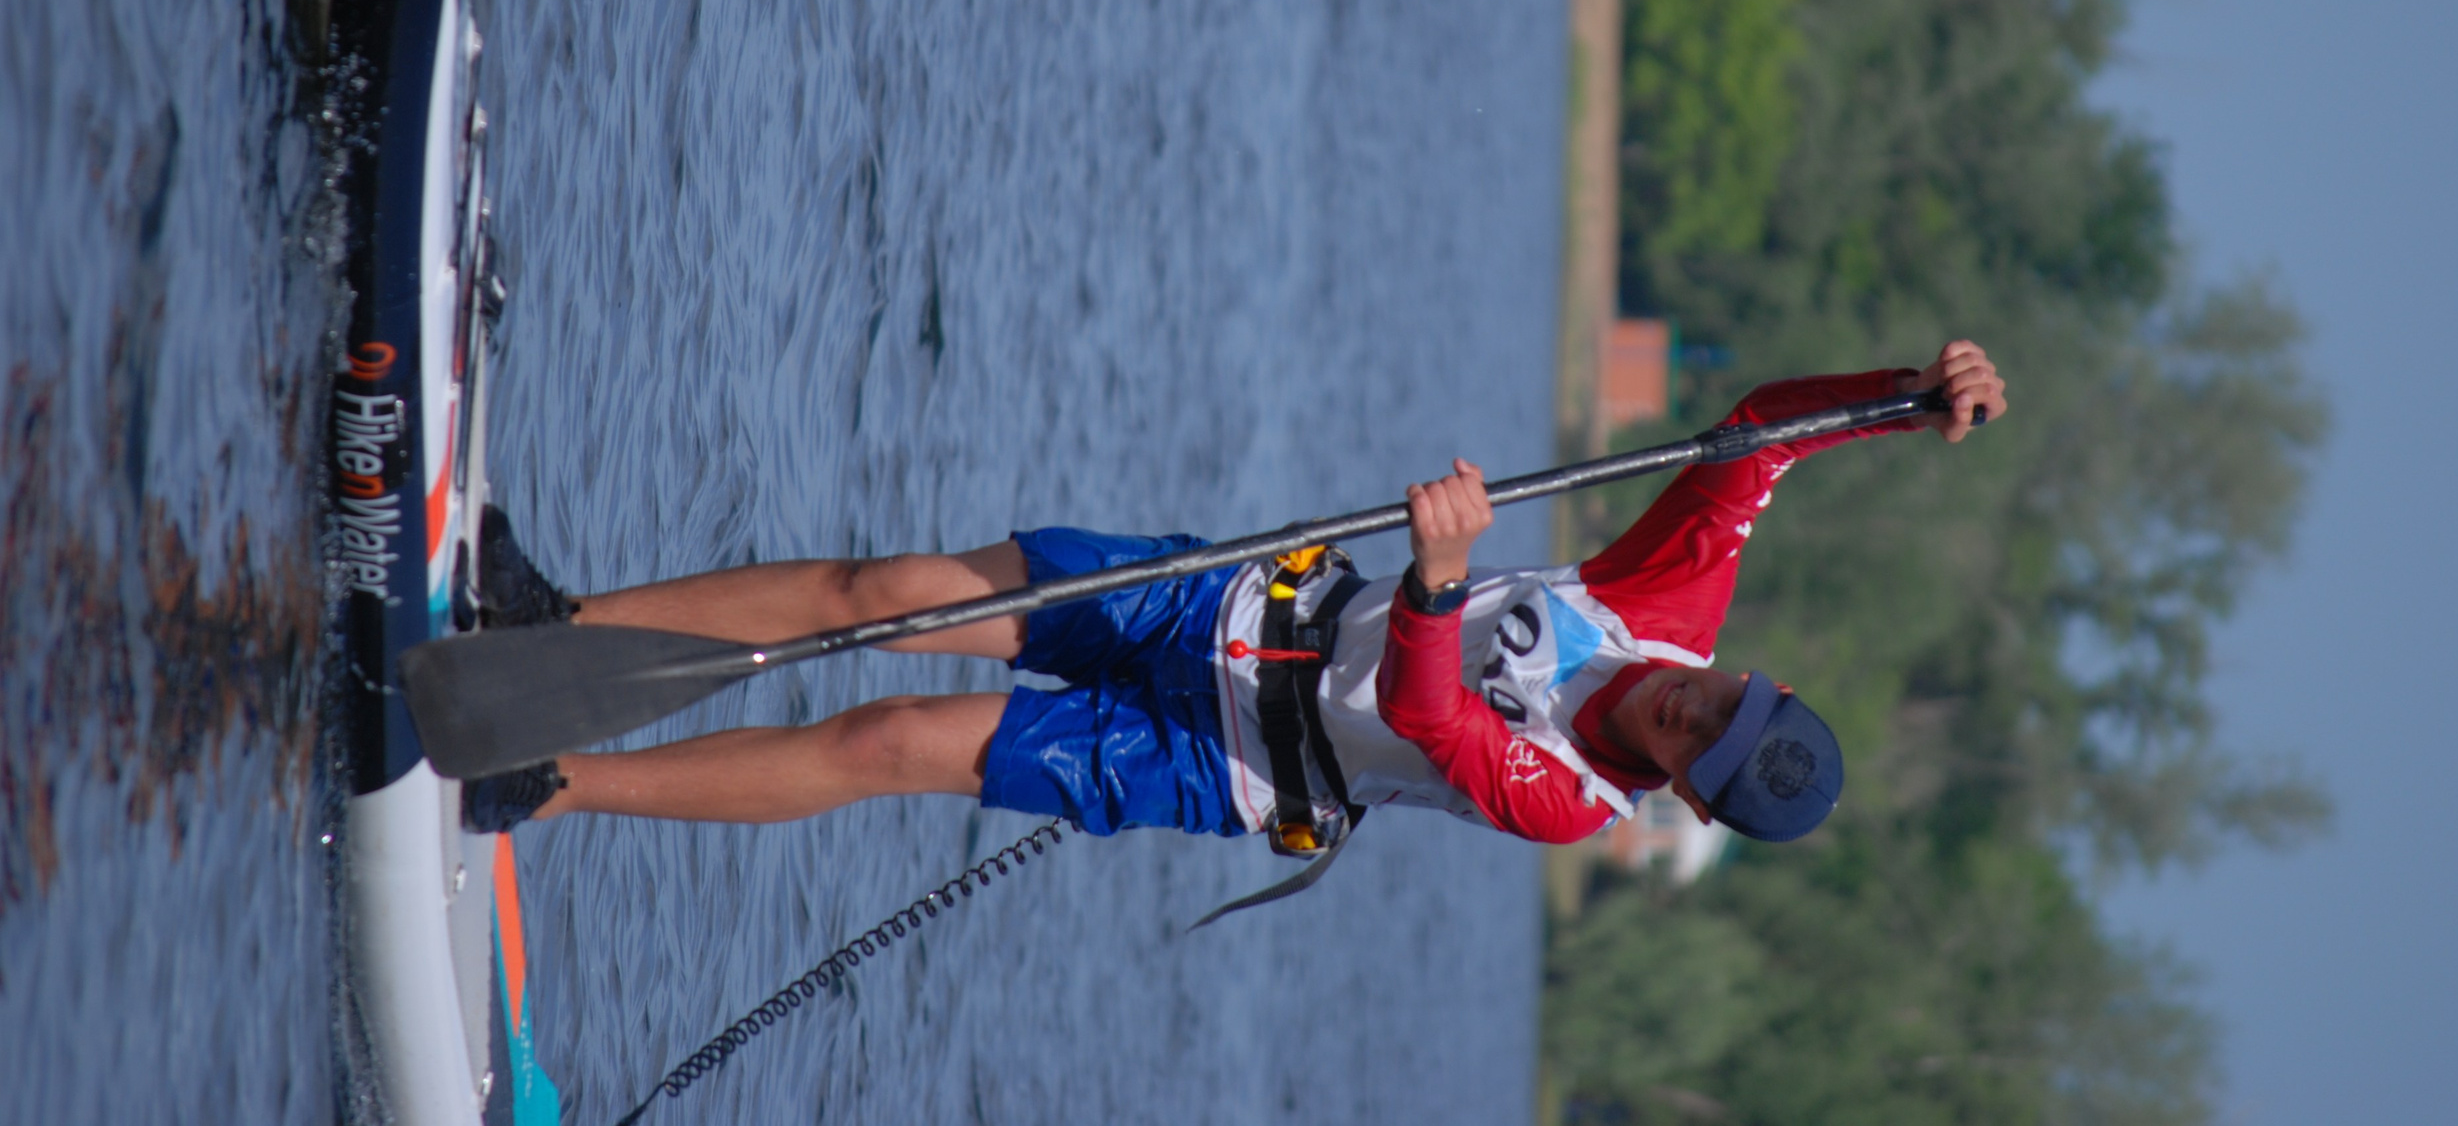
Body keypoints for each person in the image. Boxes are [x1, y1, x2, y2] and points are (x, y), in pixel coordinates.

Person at [461, 342, 2008, 856]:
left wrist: (1443, 583)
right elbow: (1755, 436)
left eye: (1699, 741)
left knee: (891, 738)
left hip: (1238, 763)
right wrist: (1903, 395)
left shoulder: (1567, 801)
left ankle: (551, 780)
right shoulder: (1672, 606)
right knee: (890, 589)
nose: (1690, 703)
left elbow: (1425, 711)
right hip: (1227, 605)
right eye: (1729, 696)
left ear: (1687, 791)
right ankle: (556, 623)